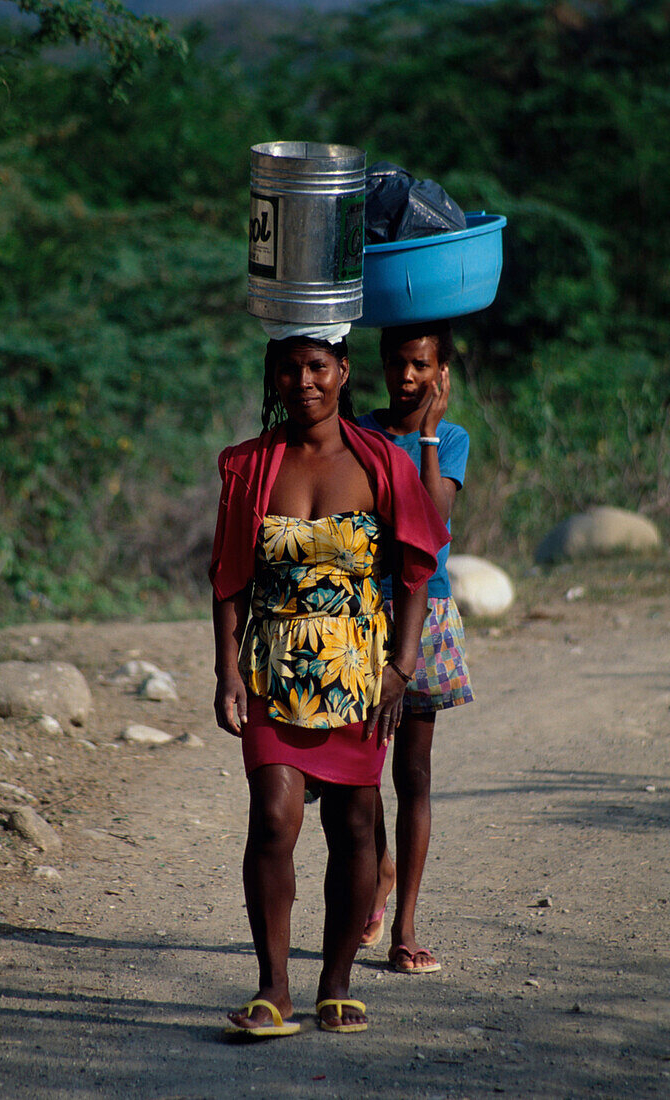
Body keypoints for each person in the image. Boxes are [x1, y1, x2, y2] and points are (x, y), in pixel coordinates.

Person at [210, 327, 449, 1037]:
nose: (303, 381)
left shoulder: (381, 463)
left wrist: (401, 669)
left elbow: (415, 570)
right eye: (288, 368)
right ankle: (273, 988)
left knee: (352, 826)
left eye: (317, 366)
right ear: (273, 377)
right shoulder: (250, 467)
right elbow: (227, 579)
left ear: (343, 371)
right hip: (270, 670)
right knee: (274, 819)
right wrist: (226, 673)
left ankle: (336, 982)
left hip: (358, 673)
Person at [357, 320, 474, 973]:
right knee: (360, 773)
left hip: (422, 613)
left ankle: (404, 928)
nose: (407, 377)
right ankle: (377, 876)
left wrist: (427, 434)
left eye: (421, 366)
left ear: (441, 373)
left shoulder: (450, 439)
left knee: (414, 775)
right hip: (362, 616)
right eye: (398, 363)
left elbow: (429, 525)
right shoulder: (360, 433)